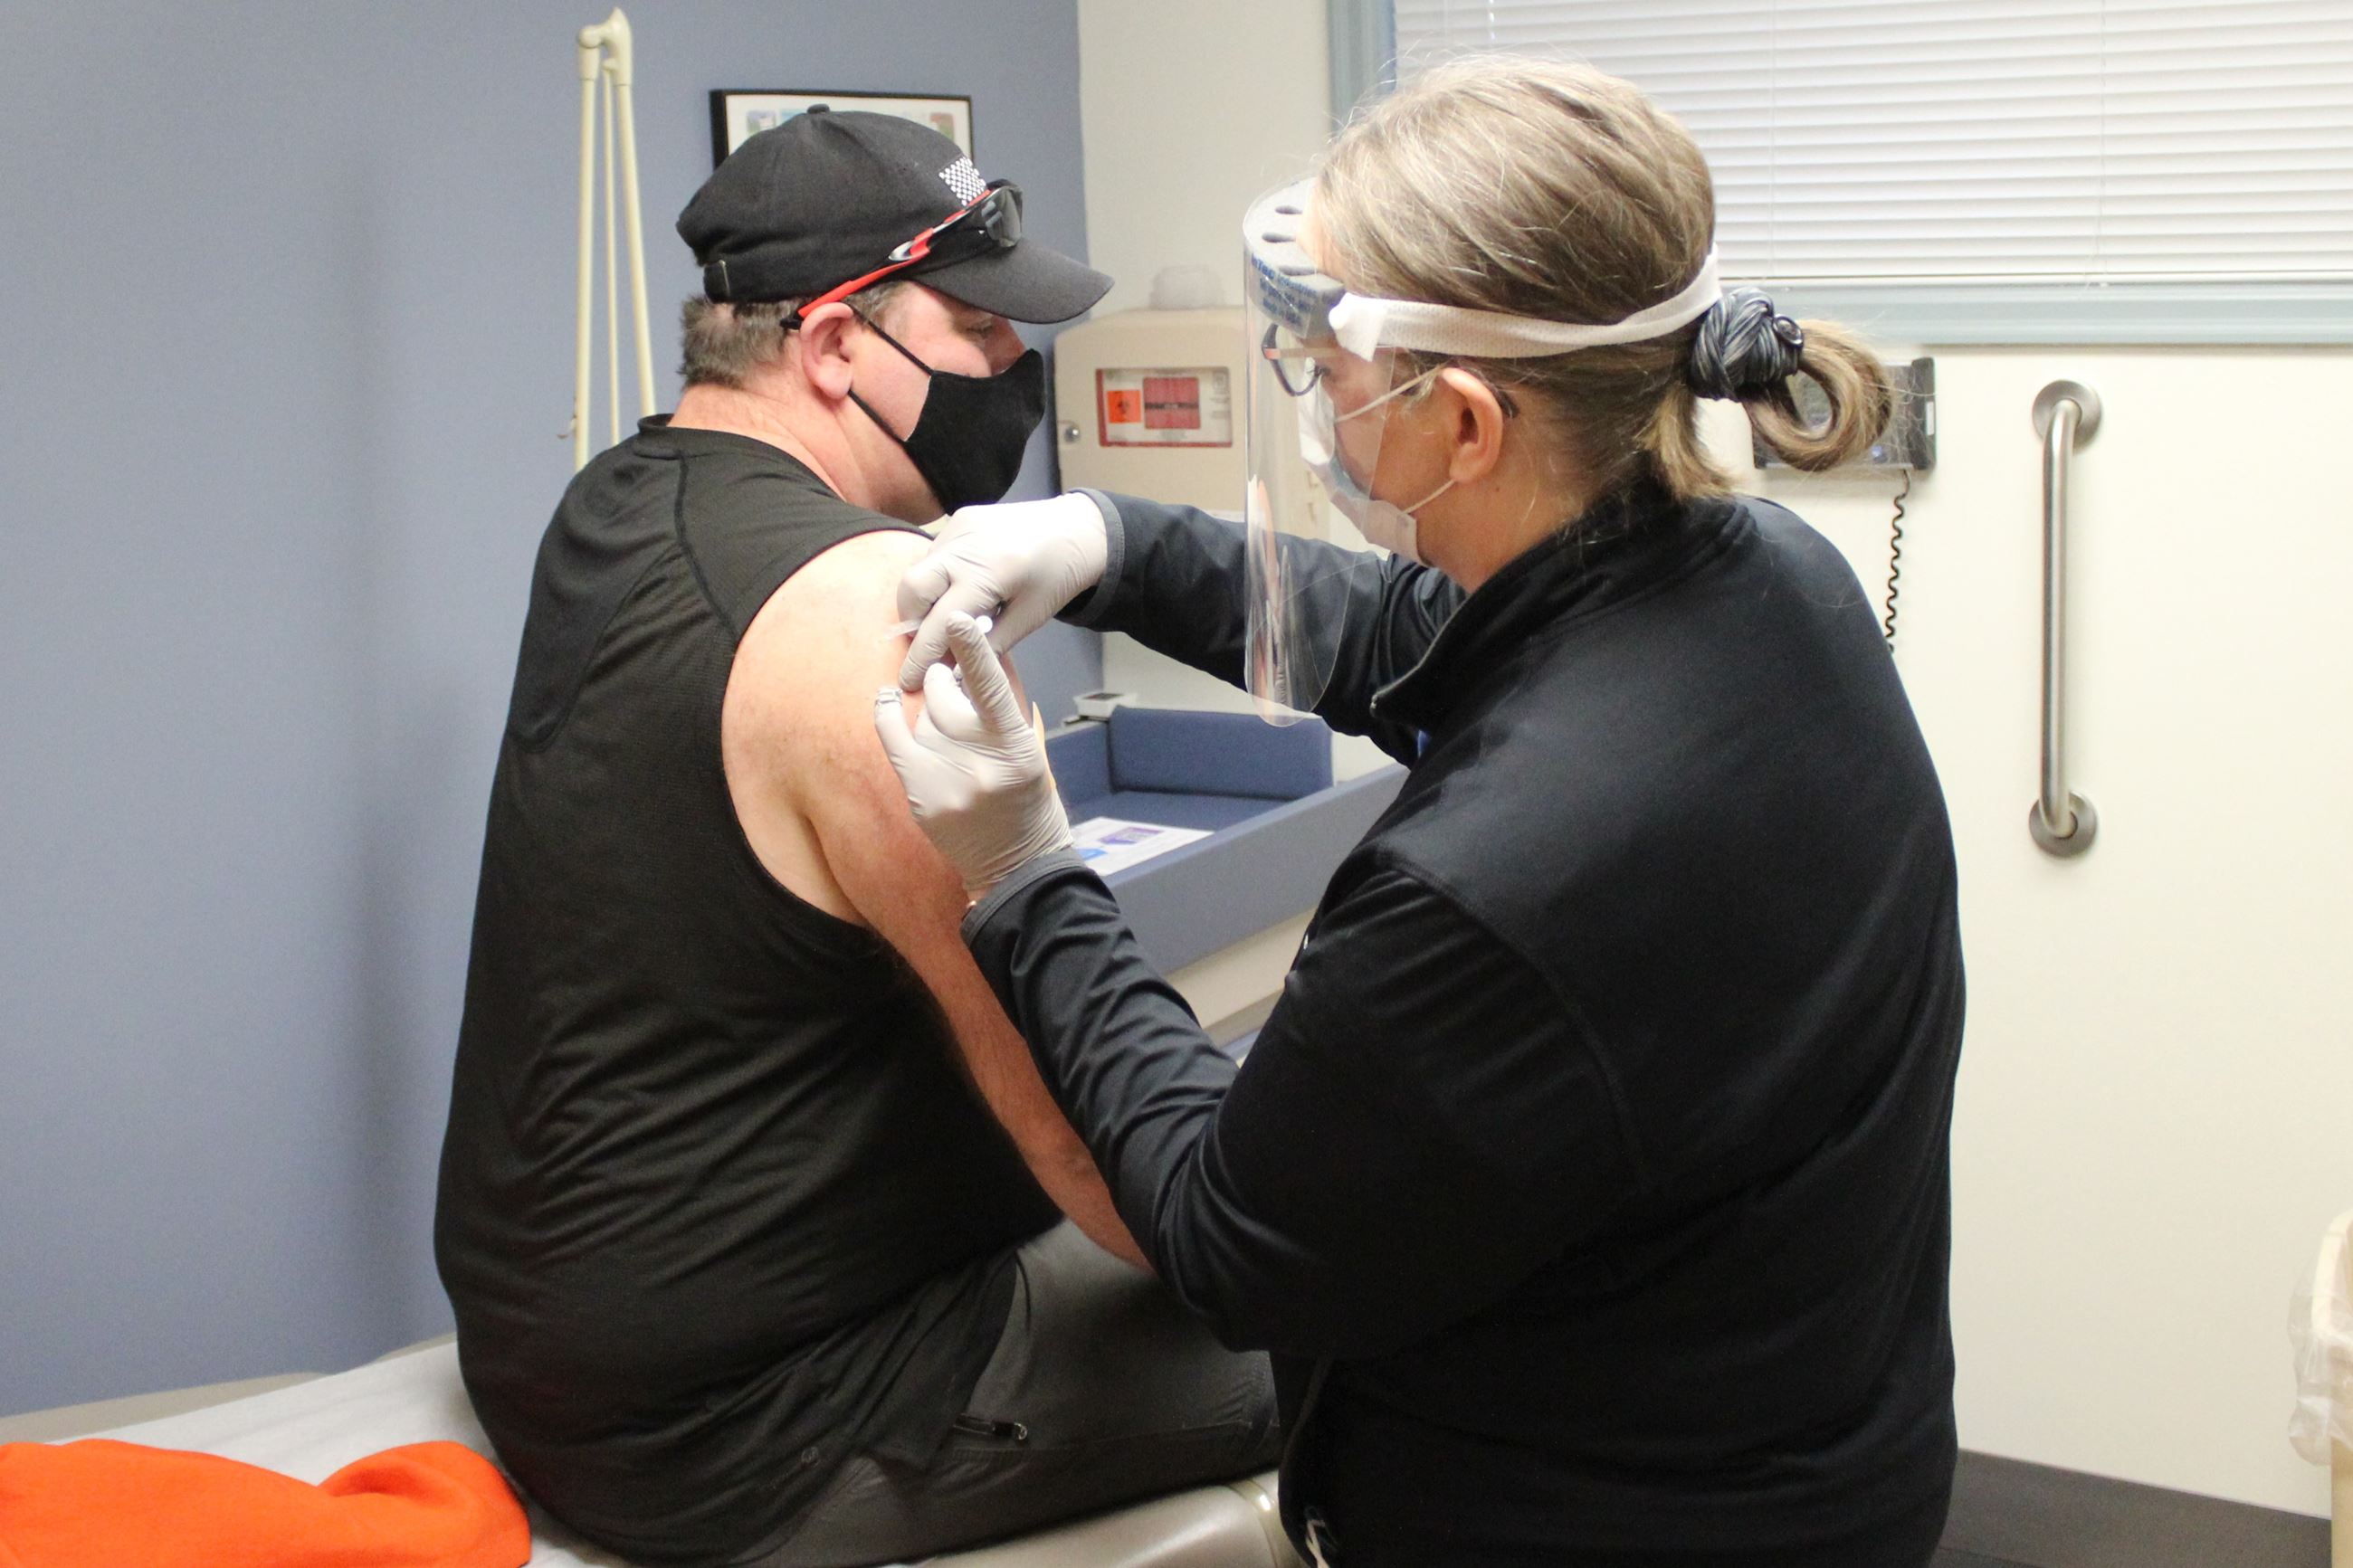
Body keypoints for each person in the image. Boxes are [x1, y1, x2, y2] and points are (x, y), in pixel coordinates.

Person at [875, 61, 1964, 1568]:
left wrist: (1026, 872)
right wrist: (1109, 540)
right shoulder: (1769, 582)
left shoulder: (1494, 885)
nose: (1315, 405)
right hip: (1819, 1454)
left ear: (1459, 420)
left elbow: (1231, 1236)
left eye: (1321, 373)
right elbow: (1423, 640)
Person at [433, 109, 1277, 1568]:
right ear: (833, 344)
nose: (1017, 368)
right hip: (777, 1421)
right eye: (979, 328)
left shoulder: (620, 500)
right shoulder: (874, 615)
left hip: (572, 1357)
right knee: (1418, 1336)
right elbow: (1116, 1175)